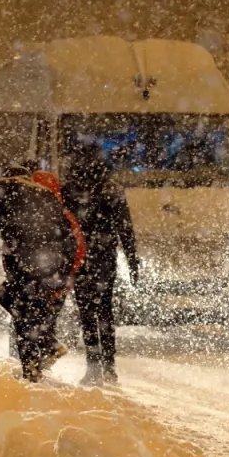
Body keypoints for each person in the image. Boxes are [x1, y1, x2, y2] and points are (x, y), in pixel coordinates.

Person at [0, 163, 78, 382]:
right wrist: (63, 273)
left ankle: (31, 368)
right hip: (50, 264)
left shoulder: (2, 188)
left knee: (21, 310)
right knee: (22, 305)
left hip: (24, 262)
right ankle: (47, 345)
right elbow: (69, 237)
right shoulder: (44, 193)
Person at [64, 146, 140, 386]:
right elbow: (125, 229)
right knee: (105, 311)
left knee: (86, 314)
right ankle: (109, 367)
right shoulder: (112, 190)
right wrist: (132, 259)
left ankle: (93, 366)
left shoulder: (69, 191)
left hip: (80, 258)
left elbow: (63, 227)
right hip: (104, 260)